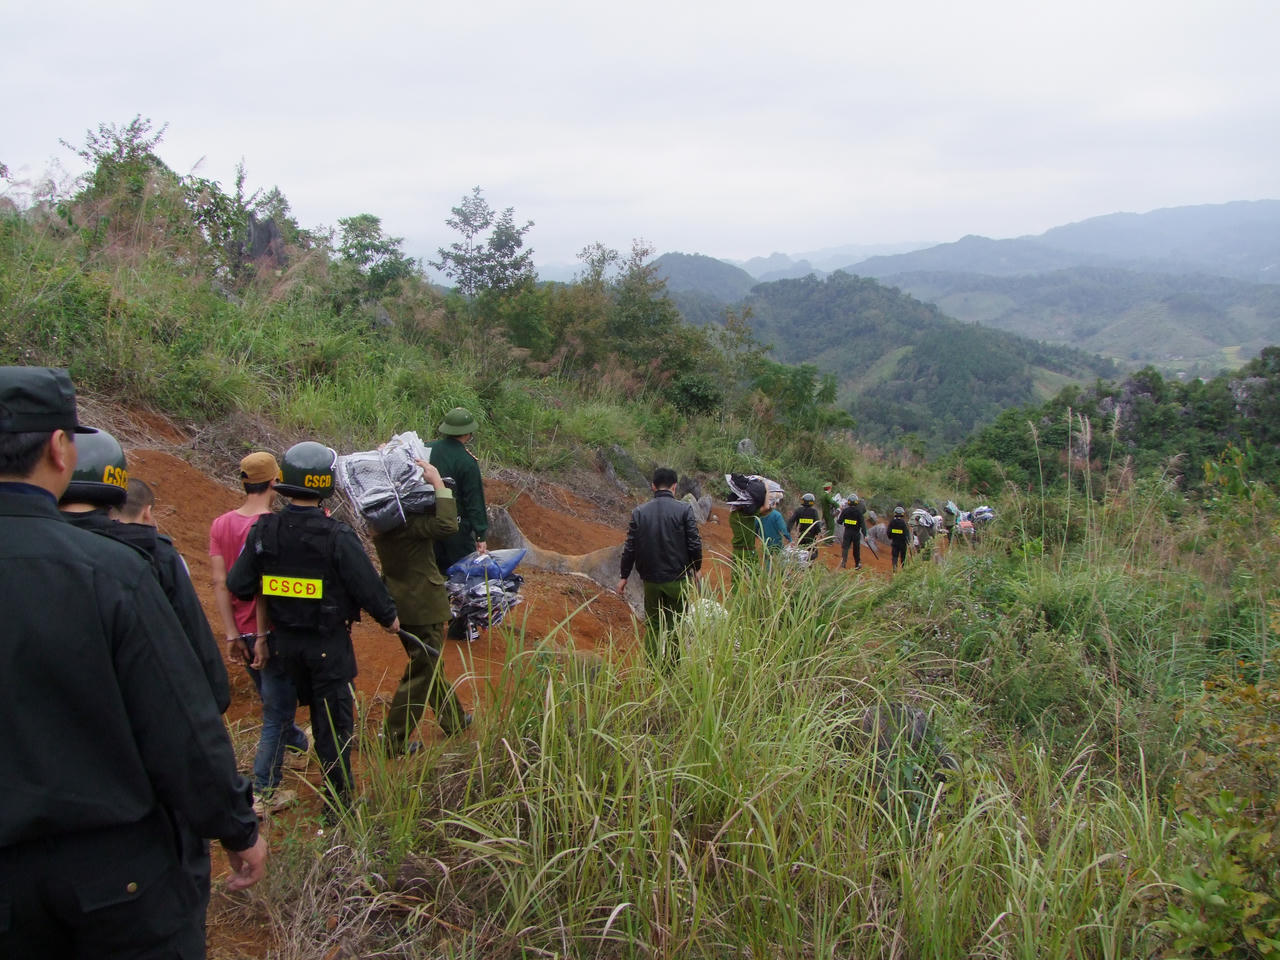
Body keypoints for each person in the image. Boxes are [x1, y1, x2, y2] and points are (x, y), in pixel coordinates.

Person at [0, 366, 264, 957]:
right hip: (116, 873)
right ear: (58, 448)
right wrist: (235, 824)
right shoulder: (113, 572)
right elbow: (182, 716)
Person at [227, 440, 400, 815]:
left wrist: (272, 579)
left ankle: (272, 785)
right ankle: (338, 804)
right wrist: (390, 619)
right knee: (333, 727)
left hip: (282, 647)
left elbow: (239, 585)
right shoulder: (336, 536)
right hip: (327, 648)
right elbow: (367, 585)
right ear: (326, 485)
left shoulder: (263, 531)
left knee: (283, 717)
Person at [210, 451, 310, 815]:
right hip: (270, 633)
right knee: (276, 712)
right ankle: (265, 791)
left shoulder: (221, 524)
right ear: (275, 482)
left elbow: (221, 583)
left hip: (241, 631)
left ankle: (298, 744)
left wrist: (232, 634)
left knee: (274, 701)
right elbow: (268, 587)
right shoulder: (275, 525)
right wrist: (263, 634)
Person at [371, 457, 471, 753]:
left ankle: (453, 719)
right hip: (422, 604)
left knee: (428, 664)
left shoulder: (381, 521)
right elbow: (447, 524)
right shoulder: (408, 524)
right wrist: (438, 483)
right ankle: (394, 740)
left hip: (400, 600)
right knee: (422, 671)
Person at [618, 467, 703, 672]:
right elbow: (694, 542)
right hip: (678, 578)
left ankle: (652, 672)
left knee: (654, 627)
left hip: (651, 581)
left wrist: (624, 575)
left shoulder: (640, 512)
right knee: (675, 626)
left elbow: (630, 547)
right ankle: (671, 671)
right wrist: (696, 567)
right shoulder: (684, 510)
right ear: (675, 487)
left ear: (653, 486)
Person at [429, 406, 489, 640]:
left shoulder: (427, 449)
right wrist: (481, 534)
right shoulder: (467, 461)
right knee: (463, 577)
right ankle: (459, 627)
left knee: (431, 571)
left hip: (427, 522)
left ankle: (429, 622)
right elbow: (474, 500)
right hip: (456, 526)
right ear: (467, 434)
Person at [756, 494, 792, 569]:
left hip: (765, 542)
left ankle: (767, 576)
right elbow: (783, 530)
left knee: (767, 560)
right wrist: (790, 539)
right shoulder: (777, 515)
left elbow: (755, 528)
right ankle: (780, 576)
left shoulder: (760, 514)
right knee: (780, 560)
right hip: (777, 543)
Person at [788, 492, 824, 562]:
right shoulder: (814, 512)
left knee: (800, 551)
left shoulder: (798, 510)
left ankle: (800, 565)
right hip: (811, 536)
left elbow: (791, 521)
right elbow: (817, 523)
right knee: (813, 552)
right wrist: (819, 532)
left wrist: (788, 531)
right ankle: (808, 564)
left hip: (801, 535)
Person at [837, 494, 867, 569]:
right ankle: (857, 564)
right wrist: (865, 535)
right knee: (856, 549)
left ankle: (843, 563)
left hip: (847, 532)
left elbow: (839, 521)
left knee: (845, 547)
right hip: (856, 533)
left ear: (848, 502)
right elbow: (863, 525)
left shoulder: (845, 511)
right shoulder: (859, 512)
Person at [887, 505, 910, 571]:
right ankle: (903, 568)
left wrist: (891, 537)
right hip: (903, 543)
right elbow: (906, 533)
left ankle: (894, 566)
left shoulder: (892, 522)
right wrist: (908, 541)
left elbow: (889, 532)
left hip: (895, 542)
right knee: (903, 557)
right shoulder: (904, 523)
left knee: (895, 556)